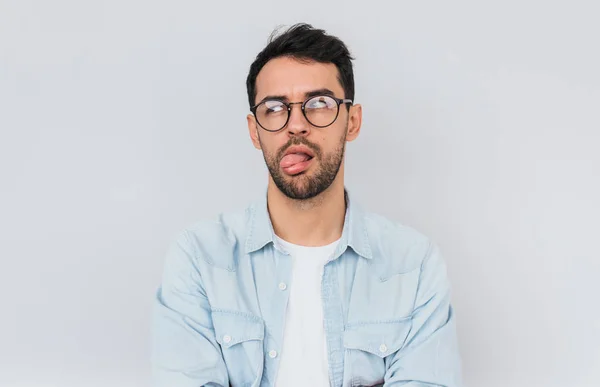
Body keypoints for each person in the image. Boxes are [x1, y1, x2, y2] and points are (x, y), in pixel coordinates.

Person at [152, 23, 463, 387]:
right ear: (255, 131)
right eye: (274, 107)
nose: (296, 124)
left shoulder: (413, 265)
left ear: (352, 121)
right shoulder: (200, 259)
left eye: (319, 104)